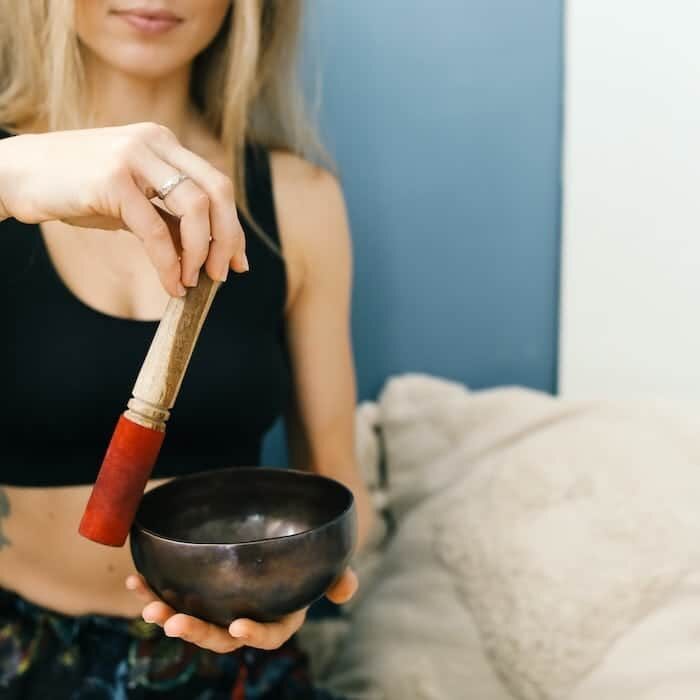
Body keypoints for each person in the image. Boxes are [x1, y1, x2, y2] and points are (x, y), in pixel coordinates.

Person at [0, 1, 375, 698]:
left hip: (229, 663)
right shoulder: (6, 176)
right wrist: (12, 173)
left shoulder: (302, 199)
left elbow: (341, 485)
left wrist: (307, 587)